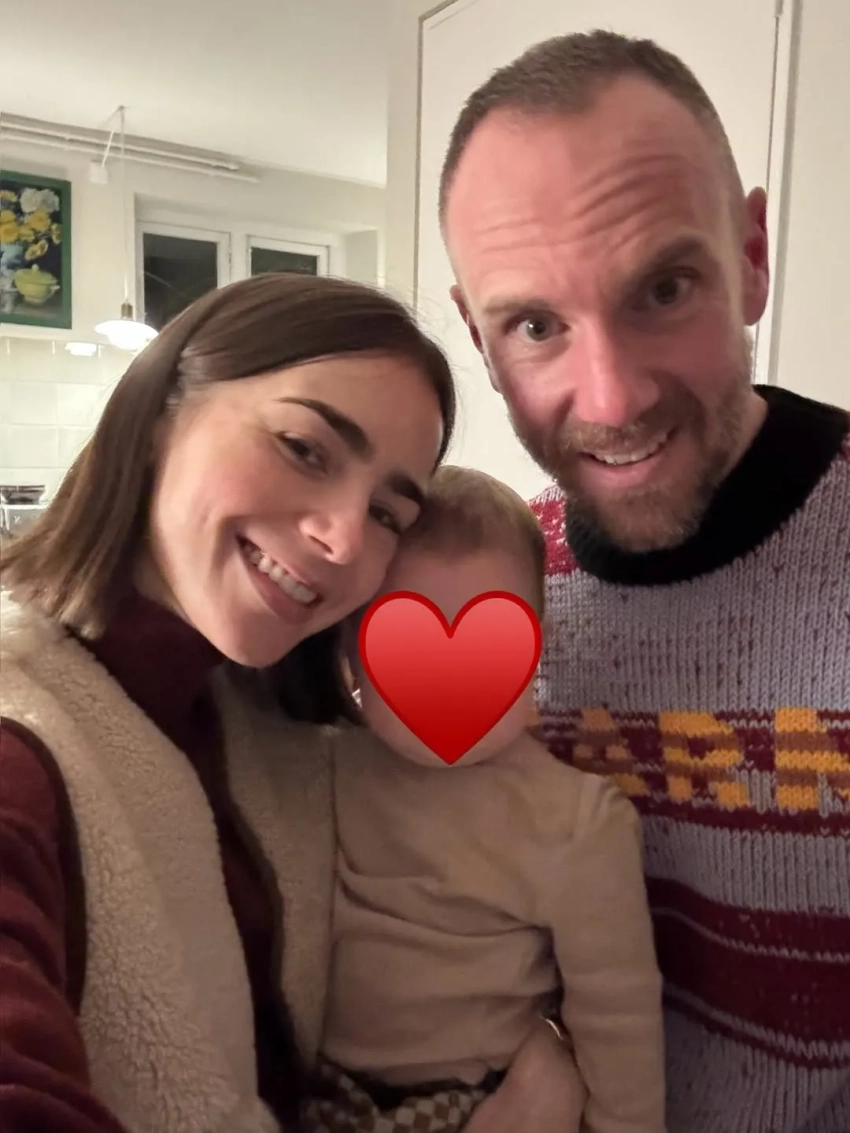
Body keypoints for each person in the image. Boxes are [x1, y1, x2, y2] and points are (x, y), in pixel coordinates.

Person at [0, 274, 579, 1133]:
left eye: (387, 512)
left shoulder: (277, 727)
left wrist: (547, 1046)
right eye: (305, 448)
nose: (343, 540)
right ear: (159, 413)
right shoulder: (22, 732)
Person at [437, 29, 850, 1133]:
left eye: (663, 288)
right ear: (478, 337)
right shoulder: (487, 601)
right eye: (535, 325)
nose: (611, 399)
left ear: (751, 255)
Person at [303, 466, 665, 1133]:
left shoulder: (577, 820)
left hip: (482, 1099)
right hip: (321, 1092)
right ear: (350, 653)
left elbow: (619, 1017)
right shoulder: (321, 766)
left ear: (535, 652)